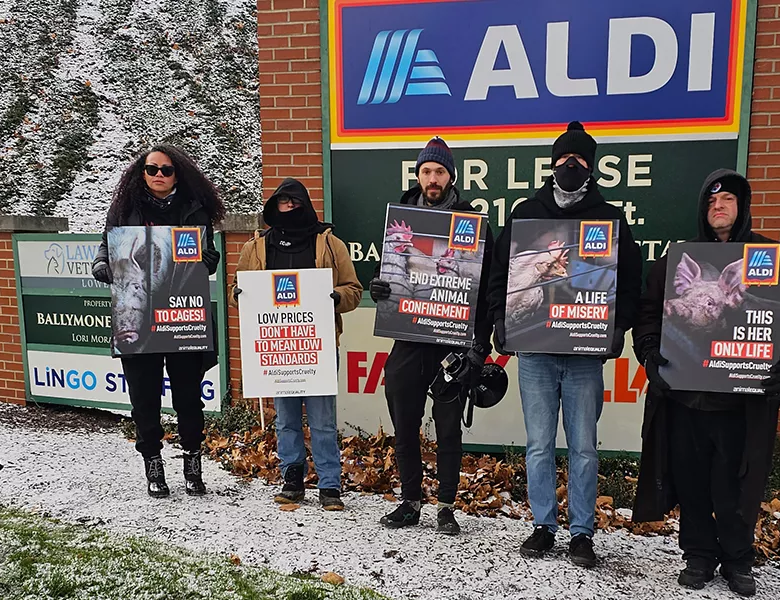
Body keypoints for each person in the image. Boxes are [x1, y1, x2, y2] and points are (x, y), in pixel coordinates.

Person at [632, 169, 780, 596]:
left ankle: (738, 560)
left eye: (729, 200)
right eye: (712, 201)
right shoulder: (676, 263)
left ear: (743, 206)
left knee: (736, 486)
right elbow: (647, 315)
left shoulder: (776, 260)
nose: (719, 207)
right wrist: (648, 352)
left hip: (743, 401)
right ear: (703, 210)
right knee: (692, 482)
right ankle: (698, 556)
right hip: (686, 399)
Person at [487, 121, 642, 567]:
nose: (569, 167)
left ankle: (581, 532)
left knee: (584, 447)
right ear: (551, 164)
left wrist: (619, 327)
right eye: (562, 159)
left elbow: (629, 281)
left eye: (578, 161)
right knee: (538, 444)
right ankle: (542, 525)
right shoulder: (524, 213)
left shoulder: (609, 218)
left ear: (590, 168)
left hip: (583, 357)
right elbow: (502, 274)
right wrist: (502, 318)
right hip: (535, 352)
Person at [369, 137, 494, 535]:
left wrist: (480, 345)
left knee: (448, 426)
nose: (432, 178)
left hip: (451, 340)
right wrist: (381, 289)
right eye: (426, 171)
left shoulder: (470, 223)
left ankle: (446, 505)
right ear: (418, 175)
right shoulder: (400, 220)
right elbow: (392, 275)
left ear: (451, 176)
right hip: (408, 339)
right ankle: (410, 501)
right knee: (404, 421)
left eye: (439, 171)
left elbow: (487, 288)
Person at [92, 145, 225, 498]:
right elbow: (106, 247)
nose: (160, 176)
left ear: (177, 173)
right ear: (142, 173)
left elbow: (205, 261)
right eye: (153, 170)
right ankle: (153, 464)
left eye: (166, 170)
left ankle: (193, 465)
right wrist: (101, 266)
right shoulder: (124, 210)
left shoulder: (194, 210)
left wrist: (209, 258)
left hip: (182, 316)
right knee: (144, 399)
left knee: (189, 399)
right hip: (137, 316)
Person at [229, 178, 362, 510]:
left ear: (305, 205)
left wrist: (335, 298)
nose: (287, 209)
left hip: (316, 346)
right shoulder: (256, 247)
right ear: (273, 207)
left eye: (294, 203)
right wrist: (239, 295)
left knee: (322, 420)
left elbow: (354, 290)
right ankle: (292, 478)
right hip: (277, 349)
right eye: (282, 203)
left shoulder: (330, 245)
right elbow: (237, 289)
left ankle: (330, 484)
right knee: (285, 419)